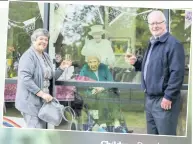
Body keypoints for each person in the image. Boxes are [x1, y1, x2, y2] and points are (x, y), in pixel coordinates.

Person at [125, 10, 185, 135]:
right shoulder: (152, 42)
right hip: (150, 100)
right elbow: (152, 67)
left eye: (158, 23)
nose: (154, 26)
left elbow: (177, 73)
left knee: (165, 140)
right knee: (152, 139)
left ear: (165, 23)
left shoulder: (174, 44)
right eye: (151, 23)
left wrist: (168, 96)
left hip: (164, 101)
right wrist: (136, 62)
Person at [15, 28, 72, 129]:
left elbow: (51, 77)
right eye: (41, 39)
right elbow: (25, 79)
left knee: (40, 132)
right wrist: (42, 94)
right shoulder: (28, 56)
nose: (44, 42)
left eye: (46, 40)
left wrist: (61, 68)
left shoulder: (45, 56)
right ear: (34, 40)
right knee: (35, 133)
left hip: (43, 103)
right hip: (30, 103)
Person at [79, 54, 132, 133]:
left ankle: (112, 124)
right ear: (87, 63)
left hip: (106, 93)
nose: (92, 64)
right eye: (90, 62)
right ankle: (109, 124)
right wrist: (91, 90)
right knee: (105, 96)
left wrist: (102, 88)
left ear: (99, 62)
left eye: (95, 62)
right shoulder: (85, 69)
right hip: (92, 96)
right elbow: (80, 84)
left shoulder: (104, 67)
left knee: (112, 96)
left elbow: (111, 81)